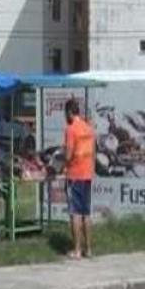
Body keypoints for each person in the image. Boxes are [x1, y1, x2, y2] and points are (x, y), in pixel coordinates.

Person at [62, 98, 96, 259]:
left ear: (69, 112)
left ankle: (76, 250)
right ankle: (89, 250)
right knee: (86, 213)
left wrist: (60, 163)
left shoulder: (71, 129)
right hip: (87, 174)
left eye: (65, 113)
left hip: (75, 175)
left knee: (75, 213)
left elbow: (68, 155)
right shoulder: (89, 129)